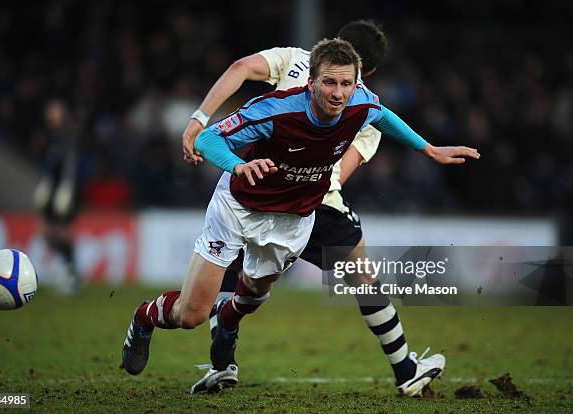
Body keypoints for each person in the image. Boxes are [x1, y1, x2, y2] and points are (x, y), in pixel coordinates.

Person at [121, 39, 479, 398]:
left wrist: (427, 148)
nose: (338, 93)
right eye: (328, 83)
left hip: (294, 219)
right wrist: (239, 165)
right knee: (190, 315)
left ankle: (225, 327)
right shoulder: (274, 112)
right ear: (310, 83)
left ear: (357, 84)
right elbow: (209, 140)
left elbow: (384, 117)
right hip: (239, 209)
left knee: (253, 297)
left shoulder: (362, 104)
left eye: (346, 84)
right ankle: (144, 317)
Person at [184, 20, 444, 397]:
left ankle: (222, 363)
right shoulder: (361, 101)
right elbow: (340, 171)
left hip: (256, 188)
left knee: (235, 276)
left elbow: (240, 69)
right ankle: (405, 370)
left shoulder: (294, 59)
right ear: (367, 70)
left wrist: (199, 119)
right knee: (362, 278)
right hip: (311, 204)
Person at [33, 99, 82, 294]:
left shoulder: (68, 135)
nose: (51, 115)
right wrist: (46, 183)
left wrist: (67, 186)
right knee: (47, 232)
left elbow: (71, 162)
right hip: (53, 189)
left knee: (61, 232)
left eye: (55, 111)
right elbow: (51, 165)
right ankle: (68, 270)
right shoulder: (52, 137)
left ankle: (71, 276)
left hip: (64, 190)